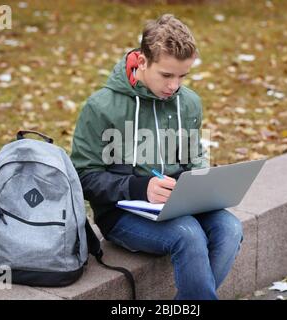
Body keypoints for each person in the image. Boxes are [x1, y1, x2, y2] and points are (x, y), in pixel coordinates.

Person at [70, 14, 243, 300]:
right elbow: (83, 177)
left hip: (178, 204)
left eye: (182, 76)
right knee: (188, 235)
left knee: (230, 229)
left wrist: (201, 178)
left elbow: (193, 155)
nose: (174, 86)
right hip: (121, 213)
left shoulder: (188, 103)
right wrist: (141, 188)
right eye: (166, 75)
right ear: (142, 61)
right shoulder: (101, 107)